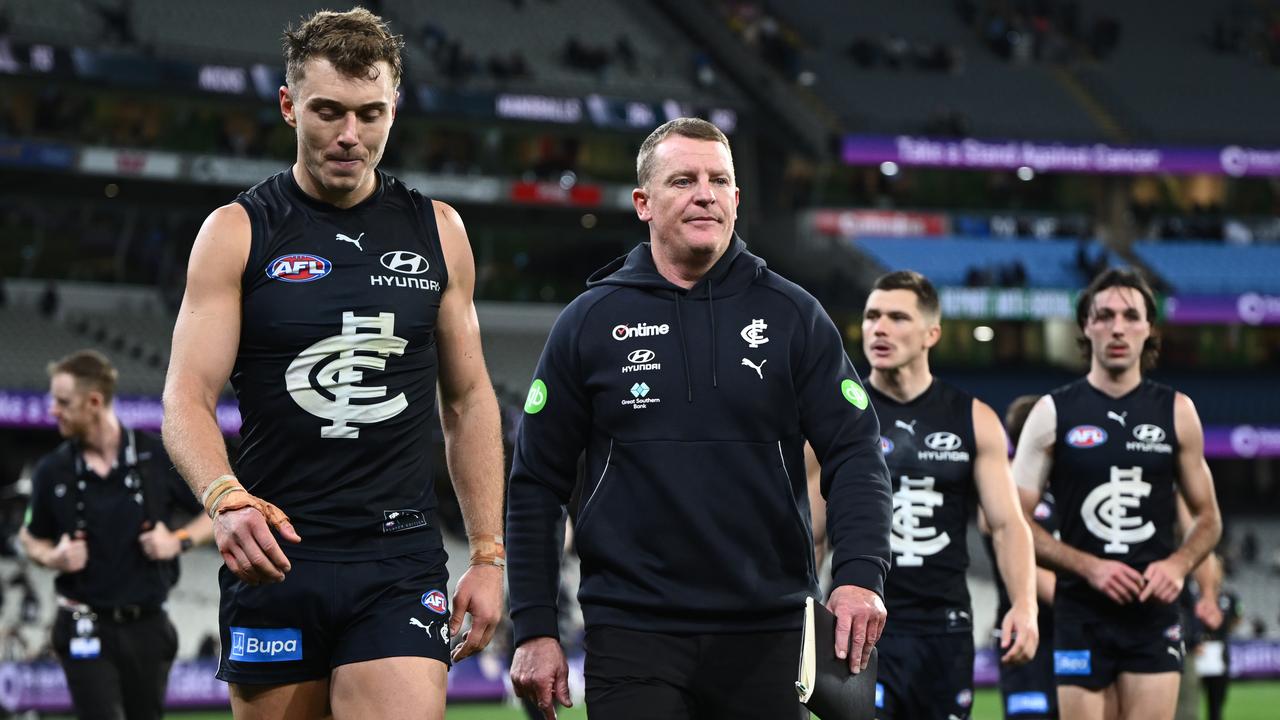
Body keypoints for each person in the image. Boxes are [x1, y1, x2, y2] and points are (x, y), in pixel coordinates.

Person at [160, 8, 505, 719]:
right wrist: (223, 498)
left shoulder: (439, 231)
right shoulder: (236, 232)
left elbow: (469, 401)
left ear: (394, 109)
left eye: (370, 113)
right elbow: (185, 396)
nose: (350, 136)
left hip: (397, 560)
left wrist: (489, 553)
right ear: (288, 106)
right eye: (328, 112)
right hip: (275, 555)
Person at [506, 117, 892, 719]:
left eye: (719, 180)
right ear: (643, 203)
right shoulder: (588, 321)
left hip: (769, 631)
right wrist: (533, 626)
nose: (704, 194)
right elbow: (536, 482)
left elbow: (856, 451)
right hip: (632, 632)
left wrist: (860, 575)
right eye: (683, 180)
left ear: (737, 199)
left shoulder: (795, 315)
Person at [1013, 267, 1222, 720]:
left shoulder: (1178, 411)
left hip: (1153, 616)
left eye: (1131, 315)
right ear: (1085, 326)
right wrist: (1089, 567)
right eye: (1104, 315)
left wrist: (1178, 564)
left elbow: (1209, 519)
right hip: (1080, 613)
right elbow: (1012, 520)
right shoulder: (1052, 413)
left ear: (1149, 328)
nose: (1118, 327)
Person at [859, 271, 1038, 720]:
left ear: (931, 334)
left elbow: (1006, 524)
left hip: (947, 630)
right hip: (867, 627)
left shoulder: (974, 419)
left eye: (897, 317)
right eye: (871, 316)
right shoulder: (841, 414)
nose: (879, 328)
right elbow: (813, 531)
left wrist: (1024, 603)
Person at [20, 349, 214, 720]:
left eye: (62, 402)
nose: (52, 410)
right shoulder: (52, 470)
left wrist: (178, 541)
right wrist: (52, 557)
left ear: (94, 402)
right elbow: (31, 538)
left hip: (149, 624)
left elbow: (212, 513)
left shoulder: (156, 456)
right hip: (83, 624)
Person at [985, 395, 1060, 720]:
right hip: (1027, 631)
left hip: (1064, 631)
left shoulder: (1059, 485)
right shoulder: (1006, 489)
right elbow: (1038, 576)